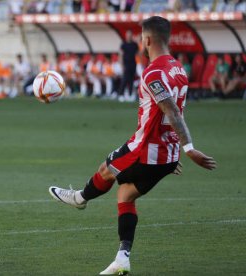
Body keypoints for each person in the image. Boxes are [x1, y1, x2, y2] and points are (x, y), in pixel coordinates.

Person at [48, 16, 216, 275]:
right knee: (125, 195)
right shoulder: (178, 69)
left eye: (141, 37)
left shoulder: (154, 73)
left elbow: (170, 110)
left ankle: (80, 198)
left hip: (145, 150)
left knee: (106, 168)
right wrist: (172, 151)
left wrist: (189, 147)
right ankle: (122, 258)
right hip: (165, 156)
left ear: (147, 40)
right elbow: (175, 111)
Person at [118, 30, 139, 102]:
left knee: (131, 80)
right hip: (126, 64)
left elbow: (138, 54)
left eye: (130, 35)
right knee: (124, 79)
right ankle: (121, 94)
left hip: (133, 64)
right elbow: (120, 55)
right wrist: (121, 65)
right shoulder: (123, 44)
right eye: (128, 35)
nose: (129, 36)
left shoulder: (135, 44)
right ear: (126, 36)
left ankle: (130, 94)